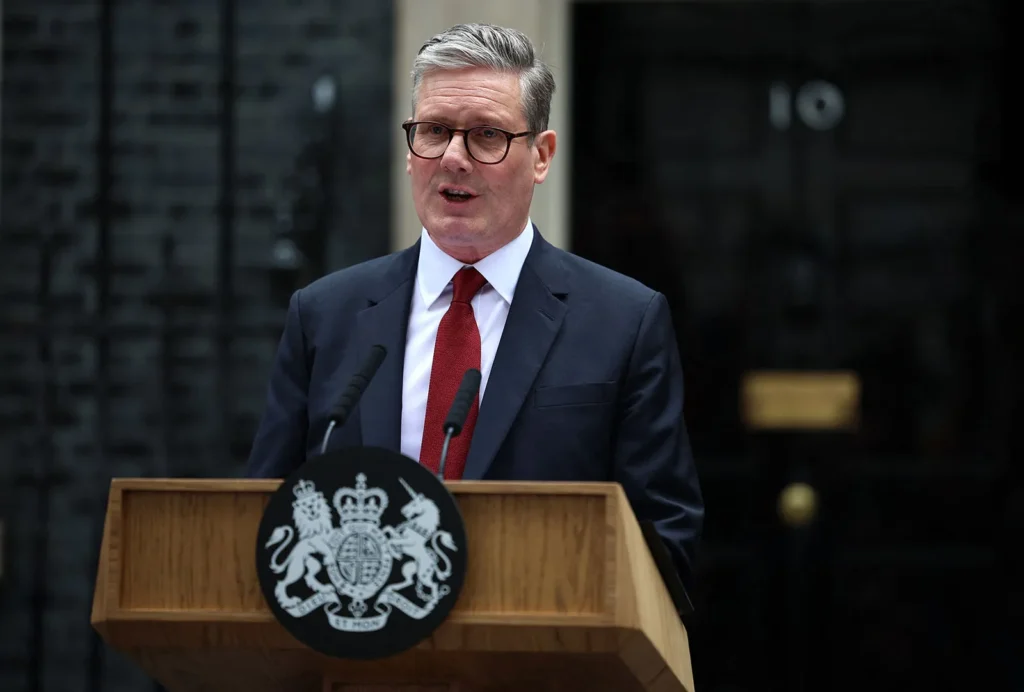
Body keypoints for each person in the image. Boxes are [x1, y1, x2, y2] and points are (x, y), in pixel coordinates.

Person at [245, 23, 704, 592]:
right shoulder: (324, 315)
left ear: (541, 155)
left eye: (486, 135)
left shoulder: (624, 322)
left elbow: (666, 541)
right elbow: (265, 520)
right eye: (434, 131)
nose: (453, 158)